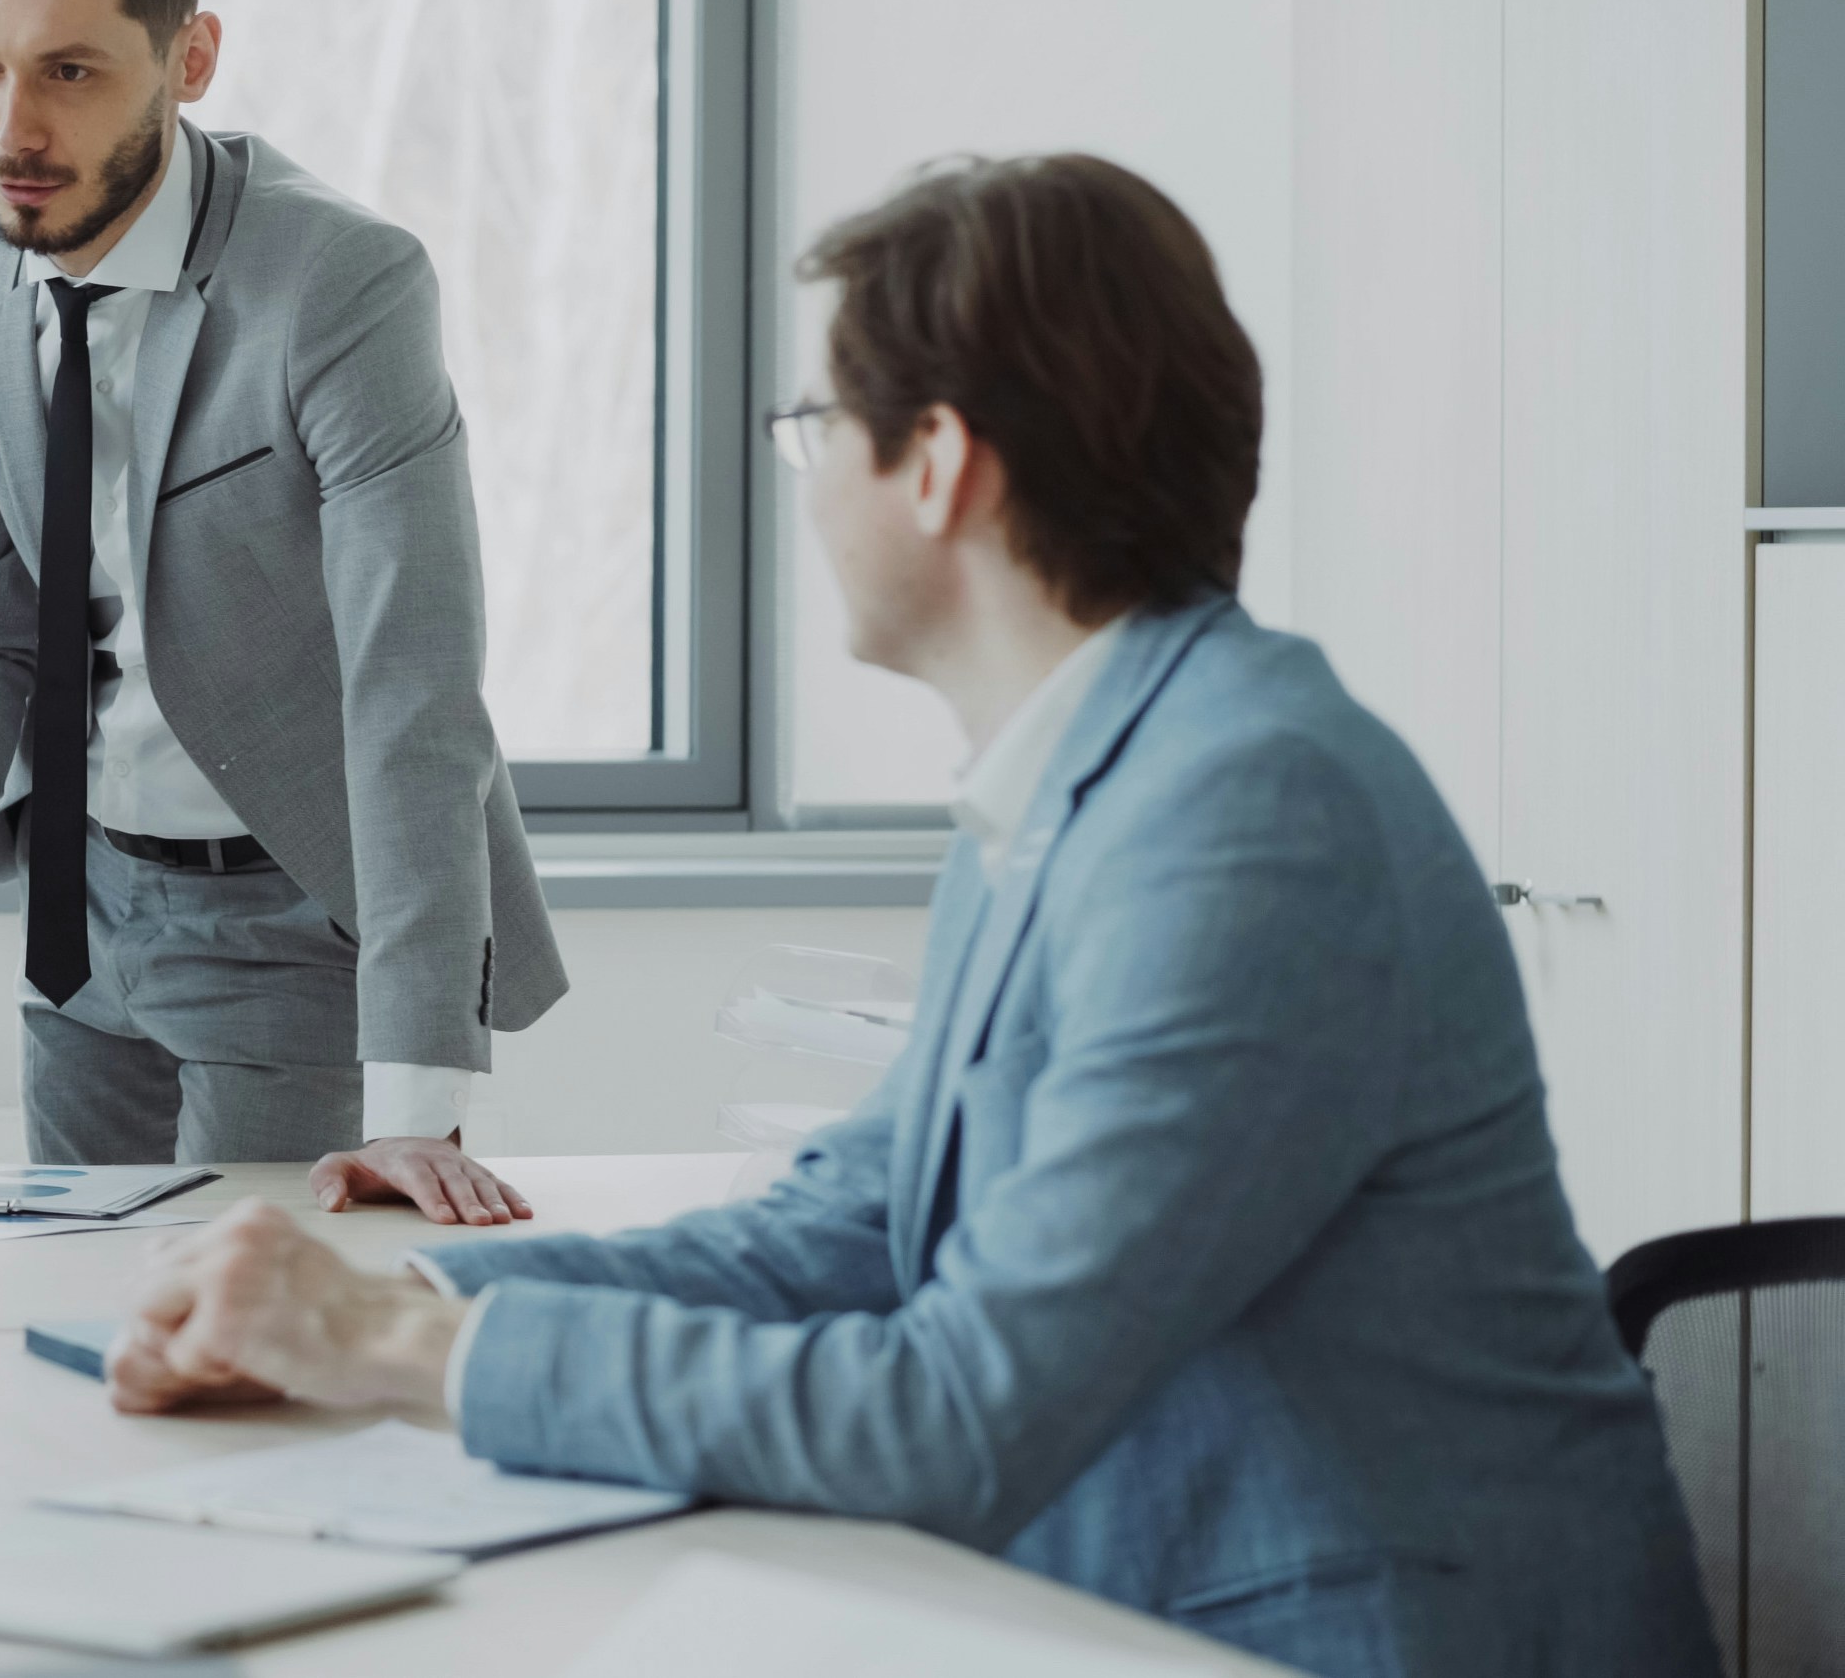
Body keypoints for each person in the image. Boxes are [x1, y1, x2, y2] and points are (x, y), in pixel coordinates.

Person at [99, 153, 1718, 1676]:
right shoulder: (1077, 781)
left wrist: (404, 1360)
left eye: (819, 427)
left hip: (1355, 1637)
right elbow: (853, 1230)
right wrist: (403, 1300)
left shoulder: (1250, 816)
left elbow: (958, 1405)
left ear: (937, 461)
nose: (805, 487)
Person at [0, 0, 567, 1222]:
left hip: (291, 921)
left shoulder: (338, 285)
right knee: (73, 1332)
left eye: (71, 70)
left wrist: (414, 1110)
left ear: (191, 59)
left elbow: (411, 689)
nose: (12, 130)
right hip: (80, 910)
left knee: (265, 1355)